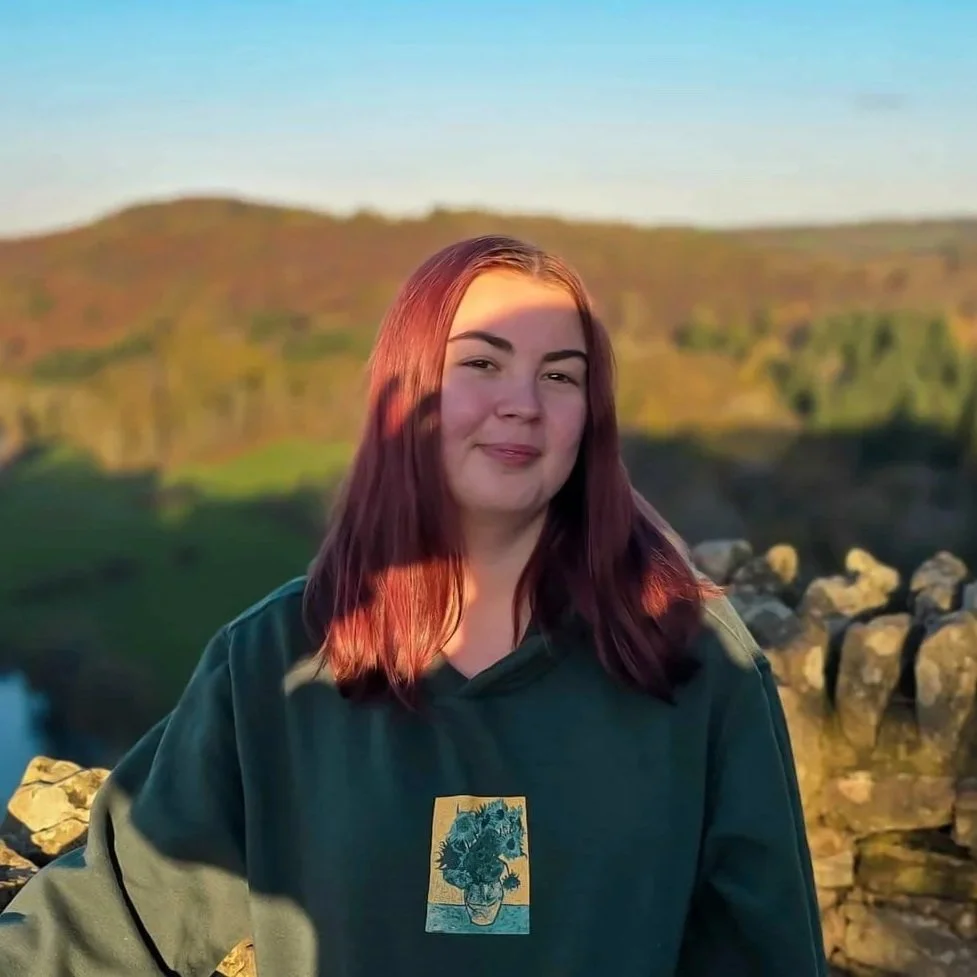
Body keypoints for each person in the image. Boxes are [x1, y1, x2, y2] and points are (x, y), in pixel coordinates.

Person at [0, 235, 827, 976]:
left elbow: (764, 951)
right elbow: (109, 923)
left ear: (591, 415)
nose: (523, 403)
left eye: (560, 375)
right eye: (481, 362)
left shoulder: (690, 655)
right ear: (407, 389)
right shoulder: (273, 664)